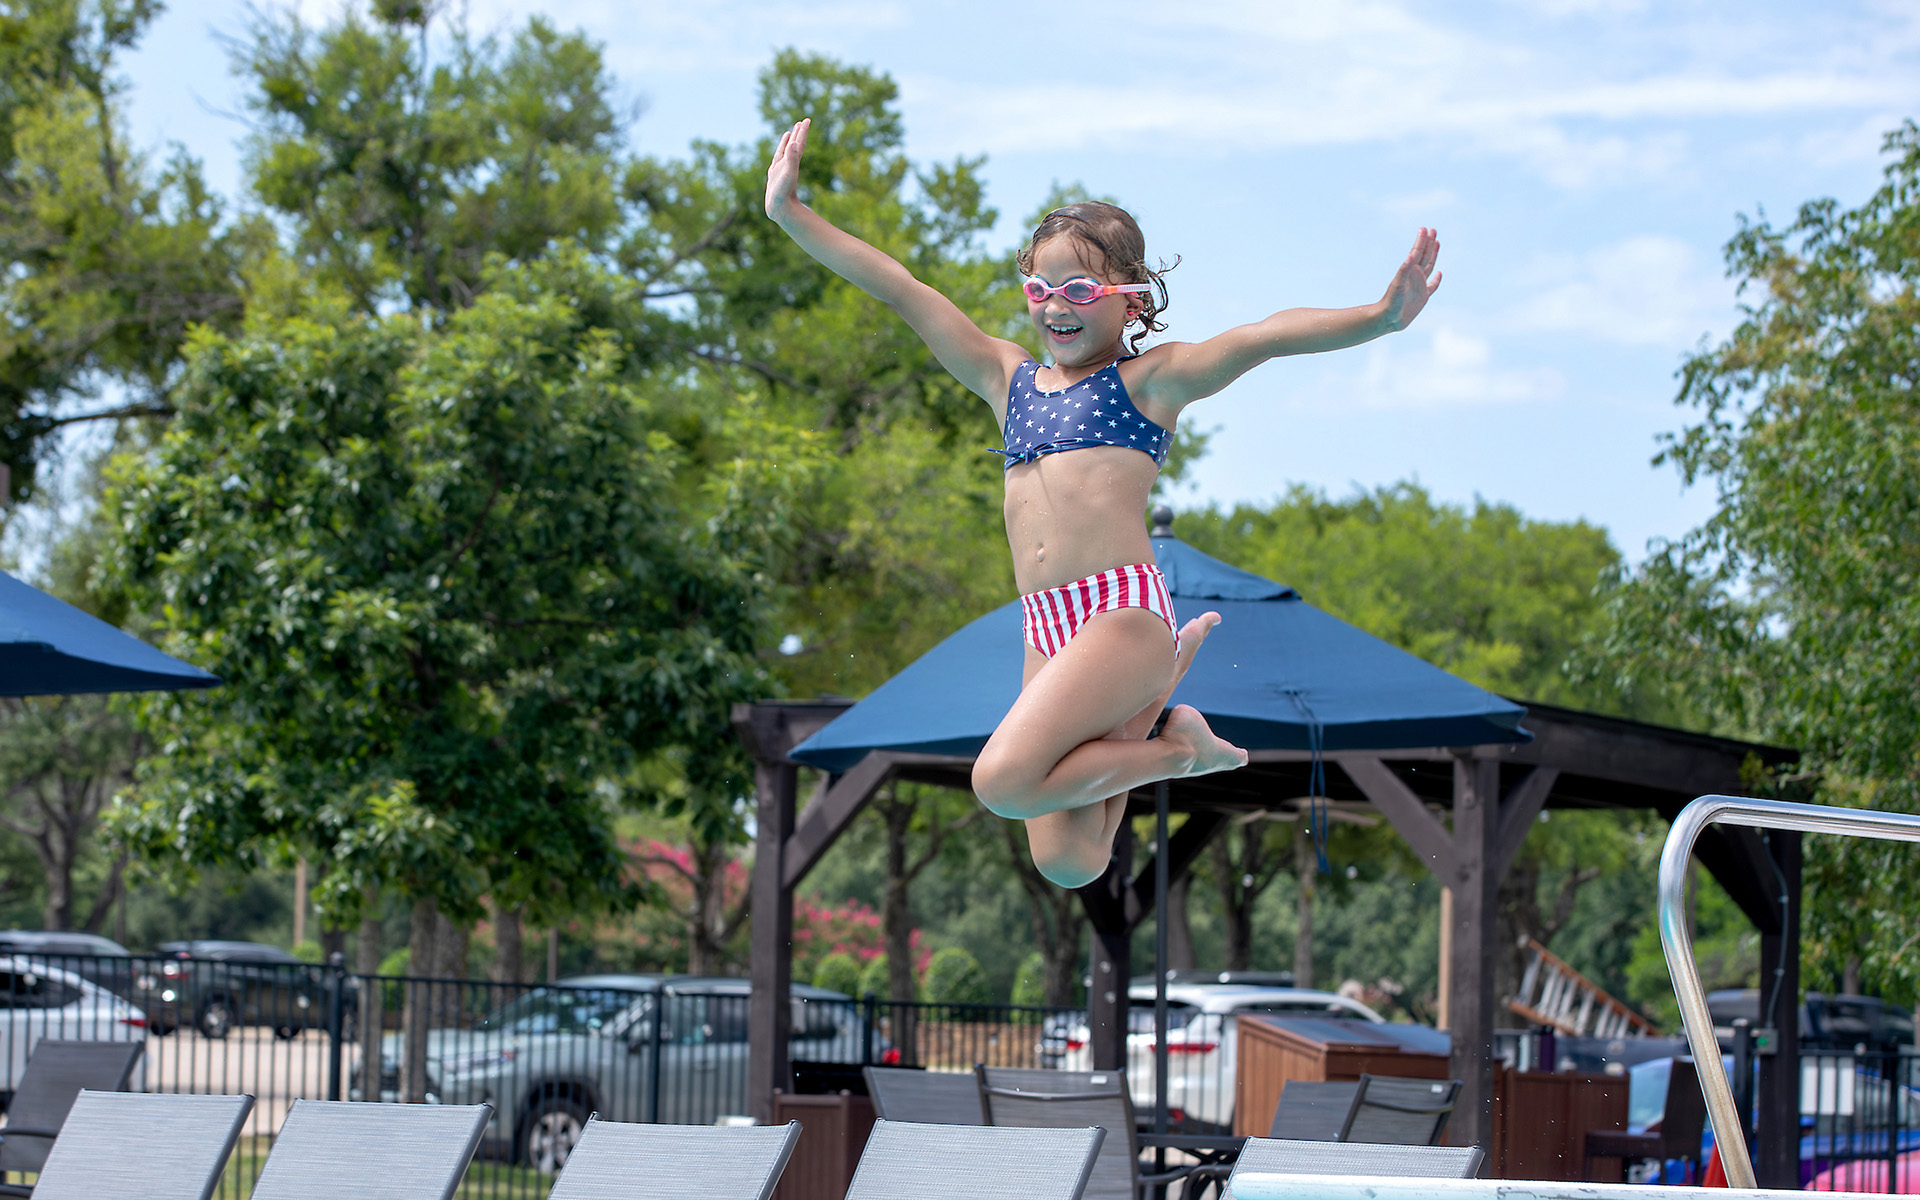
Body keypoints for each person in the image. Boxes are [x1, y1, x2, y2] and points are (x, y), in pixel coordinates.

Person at [765, 117, 1441, 887]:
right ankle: (1159, 713)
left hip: (1118, 614)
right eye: (1040, 289)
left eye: (1081, 290)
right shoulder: (1007, 379)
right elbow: (902, 289)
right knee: (1070, 860)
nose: (1056, 305)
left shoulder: (1147, 384)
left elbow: (1263, 336)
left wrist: (1380, 317)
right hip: (1044, 626)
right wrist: (791, 214)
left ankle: (1177, 748)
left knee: (1002, 782)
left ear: (1131, 301)